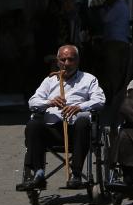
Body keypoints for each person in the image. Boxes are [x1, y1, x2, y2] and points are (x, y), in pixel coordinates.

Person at [17, 44, 105, 191]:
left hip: (77, 131)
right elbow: (32, 102)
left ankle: (76, 174)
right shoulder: (49, 81)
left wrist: (79, 107)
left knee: (83, 121)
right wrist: (49, 102)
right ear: (58, 61)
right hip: (53, 130)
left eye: (71, 60)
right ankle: (38, 174)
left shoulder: (89, 79)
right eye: (63, 60)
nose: (67, 63)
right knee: (33, 125)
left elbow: (100, 100)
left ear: (77, 61)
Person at [100, 0, 131, 101]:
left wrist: (103, 9)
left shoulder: (117, 6)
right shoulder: (123, 5)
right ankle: (118, 95)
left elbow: (105, 19)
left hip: (115, 42)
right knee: (120, 71)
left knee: (114, 71)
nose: (105, 1)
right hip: (122, 41)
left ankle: (115, 96)